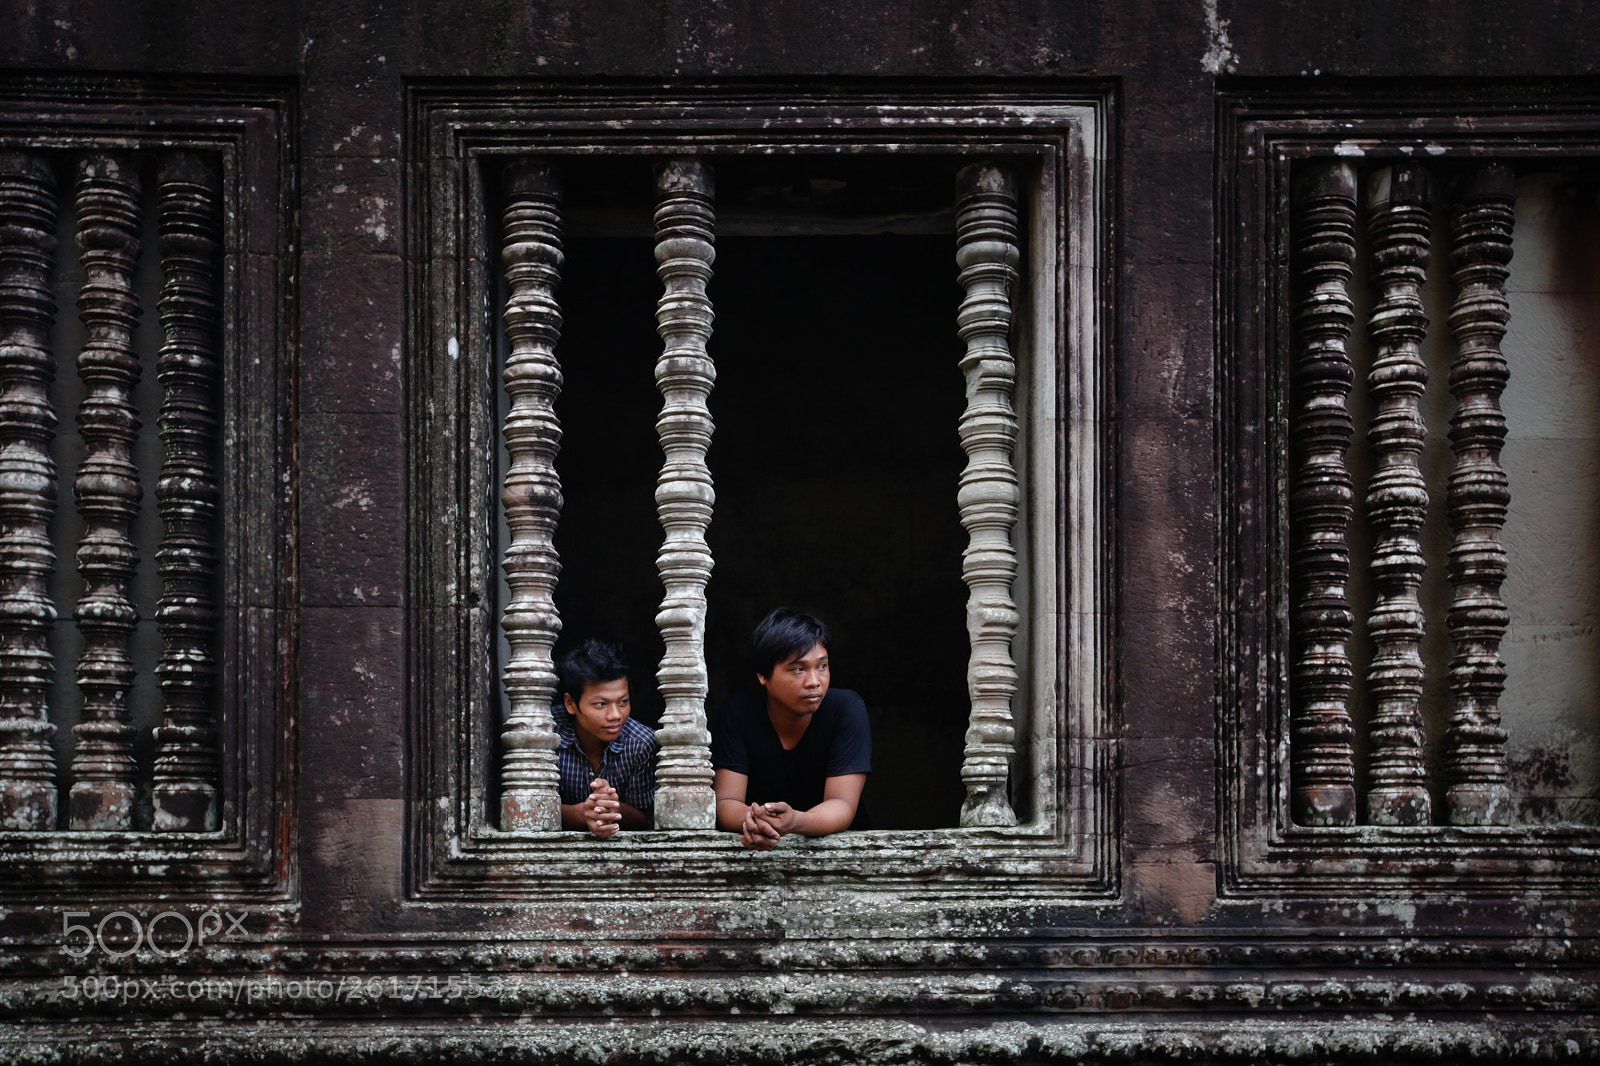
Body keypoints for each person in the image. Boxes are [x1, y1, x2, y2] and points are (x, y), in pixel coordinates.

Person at [712, 609, 870, 849]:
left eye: (822, 666)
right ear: (763, 675)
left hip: (839, 852)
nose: (814, 681)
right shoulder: (739, 712)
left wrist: (795, 821)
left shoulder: (846, 709)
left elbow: (842, 804)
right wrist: (755, 821)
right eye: (798, 669)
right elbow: (726, 802)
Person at [551, 638, 659, 837]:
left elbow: (645, 818)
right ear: (570, 703)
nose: (615, 715)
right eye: (601, 704)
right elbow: (527, 807)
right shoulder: (547, 736)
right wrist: (581, 813)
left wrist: (612, 806)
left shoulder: (642, 743)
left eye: (623, 702)